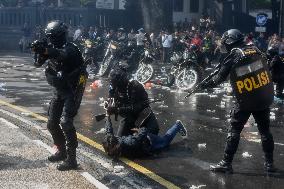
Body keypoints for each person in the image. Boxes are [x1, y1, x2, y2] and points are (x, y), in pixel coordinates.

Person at [200, 29, 275, 173]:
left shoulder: (235, 54)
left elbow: (220, 77)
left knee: (234, 130)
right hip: (261, 96)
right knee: (265, 132)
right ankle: (269, 164)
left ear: (229, 41)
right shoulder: (255, 49)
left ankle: (226, 163)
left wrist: (205, 85)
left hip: (245, 100)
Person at [31, 20, 88, 171]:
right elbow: (37, 63)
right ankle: (61, 152)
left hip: (73, 89)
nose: (50, 40)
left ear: (60, 35)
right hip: (59, 89)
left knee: (66, 123)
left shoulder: (71, 48)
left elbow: (62, 55)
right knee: (51, 123)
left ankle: (72, 160)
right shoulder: (51, 47)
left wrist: (46, 51)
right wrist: (37, 50)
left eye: (52, 36)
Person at [106, 66, 160, 138]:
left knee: (147, 141)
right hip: (129, 118)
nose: (114, 86)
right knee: (119, 142)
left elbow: (136, 108)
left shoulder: (135, 87)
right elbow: (111, 99)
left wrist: (118, 109)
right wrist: (110, 106)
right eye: (113, 84)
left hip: (144, 117)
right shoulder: (114, 87)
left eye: (115, 84)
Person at [102, 117, 187, 158]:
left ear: (115, 145)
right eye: (107, 149)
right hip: (138, 138)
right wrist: (107, 116)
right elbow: (108, 130)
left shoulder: (130, 142)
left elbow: (144, 130)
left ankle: (177, 125)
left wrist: (139, 131)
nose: (108, 152)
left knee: (165, 142)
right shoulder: (110, 139)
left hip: (149, 141)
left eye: (109, 149)